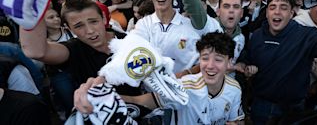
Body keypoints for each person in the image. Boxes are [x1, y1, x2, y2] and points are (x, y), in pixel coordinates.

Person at [19, 0, 150, 119]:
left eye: (93, 21)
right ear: (68, 28)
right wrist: (30, 4)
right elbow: (36, 51)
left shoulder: (128, 40)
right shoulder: (73, 50)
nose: (89, 30)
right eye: (79, 26)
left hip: (146, 112)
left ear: (104, 18)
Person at [75, 32, 245, 124]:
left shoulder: (234, 88)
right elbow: (143, 101)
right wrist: (102, 98)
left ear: (229, 62)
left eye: (218, 59)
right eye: (205, 58)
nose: (210, 65)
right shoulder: (184, 87)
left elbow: (236, 119)